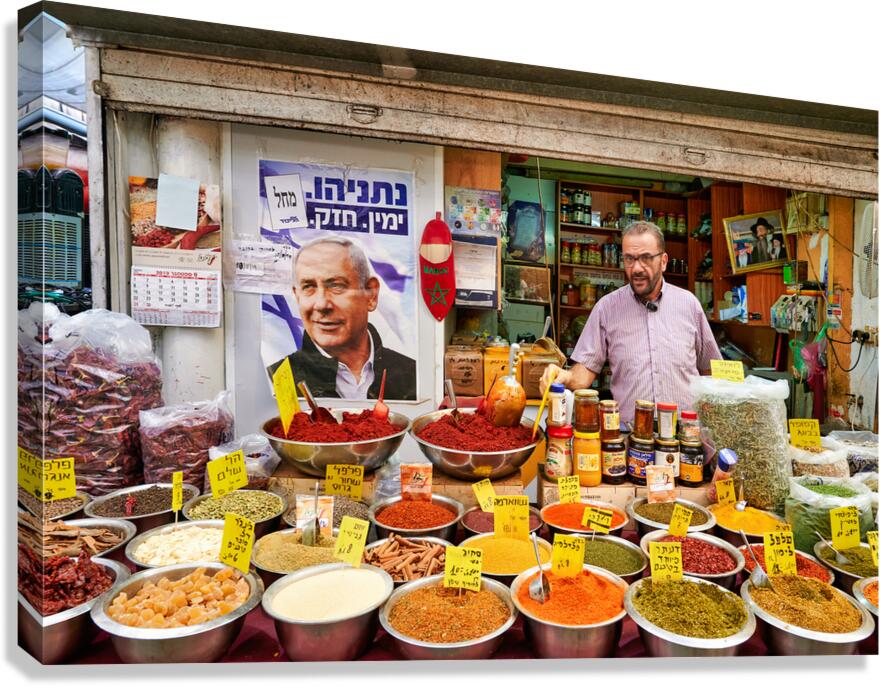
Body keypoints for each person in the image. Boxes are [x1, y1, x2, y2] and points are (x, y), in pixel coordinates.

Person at [540, 221, 722, 425]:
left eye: (646, 258)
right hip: (629, 433)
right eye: (629, 258)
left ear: (663, 261)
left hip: (684, 433)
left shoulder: (688, 305)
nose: (636, 268)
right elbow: (584, 373)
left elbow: (711, 370)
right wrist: (564, 376)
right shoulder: (607, 308)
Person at [271, 235, 416, 400]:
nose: (321, 304)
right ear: (297, 296)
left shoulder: (413, 376)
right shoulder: (278, 381)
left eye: (336, 286)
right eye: (308, 287)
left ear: (371, 295)